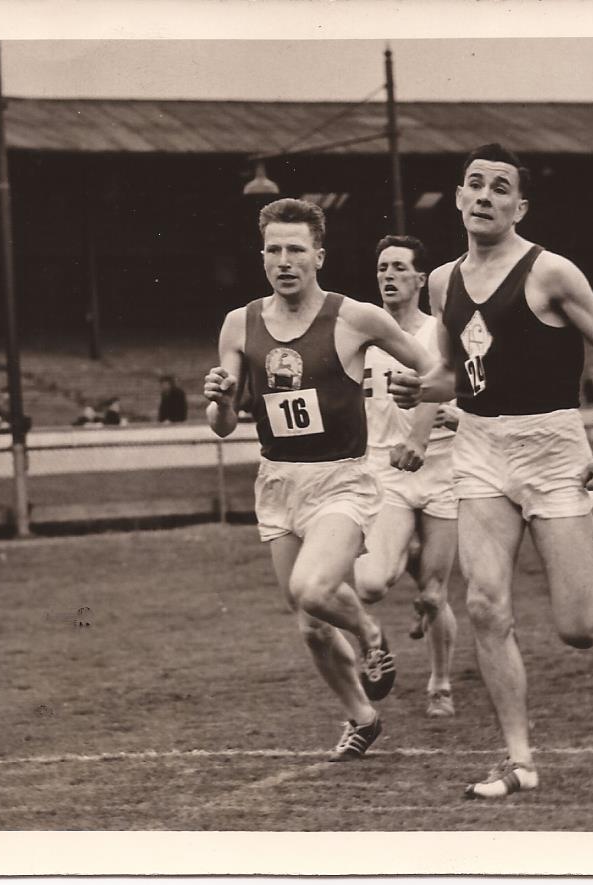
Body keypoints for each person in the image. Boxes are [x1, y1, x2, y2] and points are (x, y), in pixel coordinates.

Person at [389, 143, 593, 798]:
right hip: (478, 447)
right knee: (482, 601)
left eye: (500, 188)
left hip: (553, 447)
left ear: (519, 205)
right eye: (474, 184)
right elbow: (453, 372)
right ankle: (519, 759)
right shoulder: (443, 280)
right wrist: (419, 390)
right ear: (457, 196)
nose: (484, 196)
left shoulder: (549, 272)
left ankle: (586, 524)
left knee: (579, 628)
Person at [204, 198, 433, 762]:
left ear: (319, 255)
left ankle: (372, 636)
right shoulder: (241, 323)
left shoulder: (355, 317)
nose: (284, 261)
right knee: (308, 626)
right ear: (262, 257)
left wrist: (423, 403)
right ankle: (361, 715)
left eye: (296, 250)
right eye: (274, 250)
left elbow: (433, 368)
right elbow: (224, 423)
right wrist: (218, 401)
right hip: (278, 482)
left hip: (342, 481)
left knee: (314, 589)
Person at [354, 234, 461, 719]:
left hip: (443, 472)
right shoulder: (363, 337)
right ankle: (398, 565)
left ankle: (440, 682)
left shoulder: (441, 335)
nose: (388, 276)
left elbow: (475, 404)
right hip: (386, 472)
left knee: (434, 594)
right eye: (382, 268)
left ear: (421, 278)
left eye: (399, 267)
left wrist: (449, 417)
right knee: (372, 582)